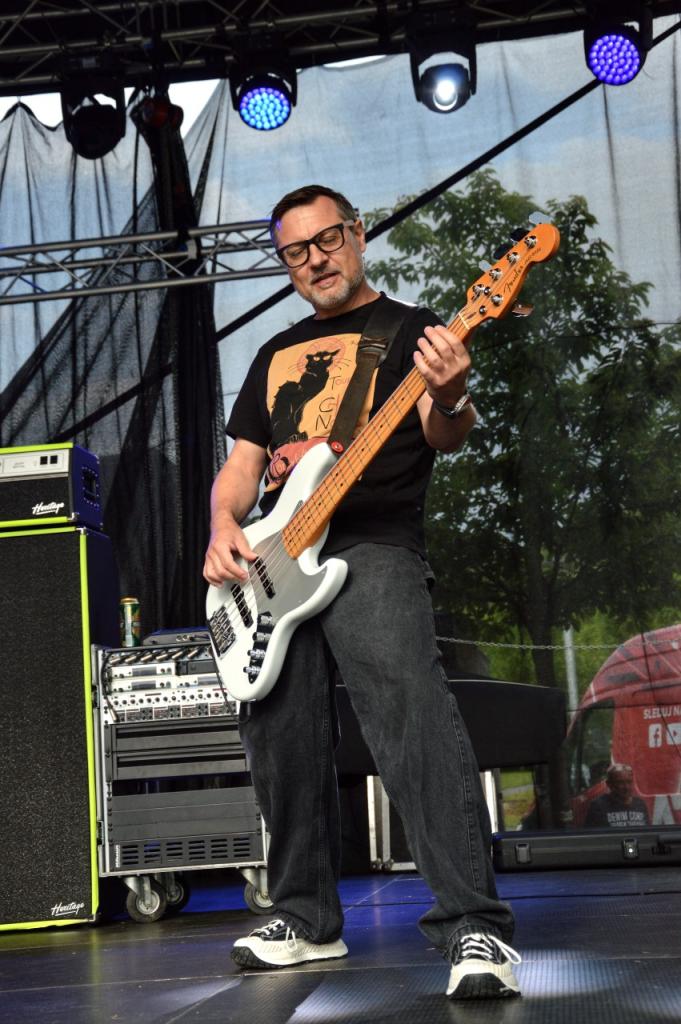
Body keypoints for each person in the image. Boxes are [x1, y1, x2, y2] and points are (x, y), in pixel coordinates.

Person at [203, 184, 521, 1000]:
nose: (315, 260)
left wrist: (449, 393)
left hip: (371, 544)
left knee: (410, 716)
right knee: (280, 738)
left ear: (357, 234)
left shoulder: (412, 329)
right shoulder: (274, 351)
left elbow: (447, 433)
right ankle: (304, 918)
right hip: (277, 560)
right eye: (295, 251)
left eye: (327, 239)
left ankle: (473, 924)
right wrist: (222, 525)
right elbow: (242, 466)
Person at [584, 763, 650, 828]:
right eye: (620, 782)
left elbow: (647, 831)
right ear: (609, 784)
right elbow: (591, 833)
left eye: (629, 782)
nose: (626, 787)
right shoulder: (598, 806)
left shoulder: (640, 804)